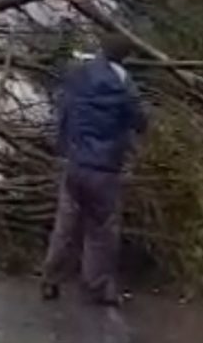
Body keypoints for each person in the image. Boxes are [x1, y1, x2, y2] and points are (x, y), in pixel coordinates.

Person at [41, 31, 148, 306]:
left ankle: (50, 279)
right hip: (105, 167)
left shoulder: (79, 73)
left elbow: (64, 107)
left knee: (65, 225)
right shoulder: (123, 82)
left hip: (75, 163)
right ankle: (96, 284)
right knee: (101, 229)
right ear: (126, 56)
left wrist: (63, 146)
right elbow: (138, 119)